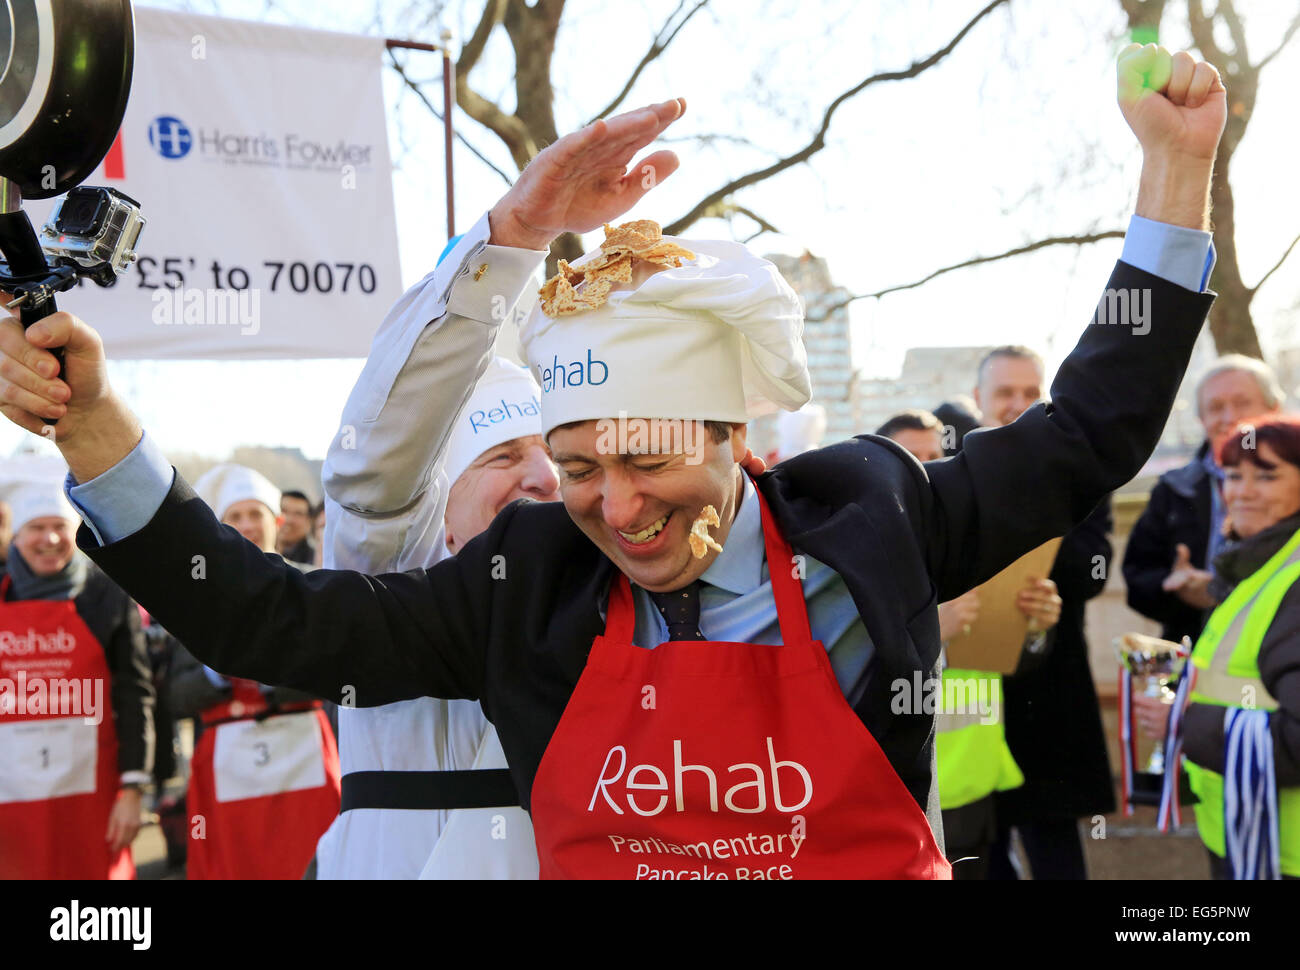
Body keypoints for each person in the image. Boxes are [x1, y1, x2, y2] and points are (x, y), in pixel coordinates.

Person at [0, 48, 1227, 878]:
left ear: (731, 436)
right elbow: (275, 620)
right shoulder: (523, 582)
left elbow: (1087, 433)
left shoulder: (869, 510)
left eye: (642, 457)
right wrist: (97, 429)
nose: (613, 504)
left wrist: (1175, 176)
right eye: (577, 466)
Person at [315, 356, 561, 879]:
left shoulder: (594, 602)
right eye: (503, 456)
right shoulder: (385, 576)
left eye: (554, 453)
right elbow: (373, 491)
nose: (547, 477)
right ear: (435, 511)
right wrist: (483, 282)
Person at [877, 409, 1054, 879]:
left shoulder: (978, 547)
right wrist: (933, 633)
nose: (924, 472)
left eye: (935, 458)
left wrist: (1034, 628)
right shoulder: (859, 561)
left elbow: (1014, 664)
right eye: (910, 459)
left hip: (976, 784)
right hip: (906, 792)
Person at [970, 343, 1114, 880]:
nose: (1018, 403)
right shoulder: (947, 476)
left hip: (1053, 693)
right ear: (979, 399)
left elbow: (1092, 569)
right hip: (975, 700)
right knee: (982, 848)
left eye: (1031, 392)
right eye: (1005, 392)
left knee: (1056, 849)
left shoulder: (1081, 477)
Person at [167, 463, 341, 880]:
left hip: (304, 756)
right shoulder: (192, 598)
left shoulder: (310, 585)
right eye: (235, 517)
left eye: (255, 515)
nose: (246, 526)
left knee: (317, 858)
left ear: (277, 522)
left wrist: (270, 677)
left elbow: (336, 671)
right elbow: (175, 696)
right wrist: (215, 677)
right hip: (227, 764)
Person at [0, 482, 154, 878]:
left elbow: (134, 696)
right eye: (36, 528)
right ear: (17, 536)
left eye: (59, 527)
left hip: (94, 799)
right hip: (11, 805)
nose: (49, 538)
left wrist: (133, 791)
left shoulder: (109, 598)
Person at [1171, 413, 1300, 878]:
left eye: (1267, 475)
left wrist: (1183, 721)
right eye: (1233, 475)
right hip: (1247, 838)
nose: (1242, 491)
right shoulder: (1259, 565)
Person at [1123, 355, 1284, 647]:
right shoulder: (1173, 489)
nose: (1229, 417)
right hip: (1195, 657)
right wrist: (1177, 589)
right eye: (1216, 407)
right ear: (1201, 419)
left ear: (1274, 409)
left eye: (1242, 402)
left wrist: (1221, 587)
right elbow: (1137, 580)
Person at [278, 489, 317, 565]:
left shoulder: (316, 560)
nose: (288, 520)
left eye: (298, 514)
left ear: (309, 521)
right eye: (283, 511)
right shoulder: (257, 551)